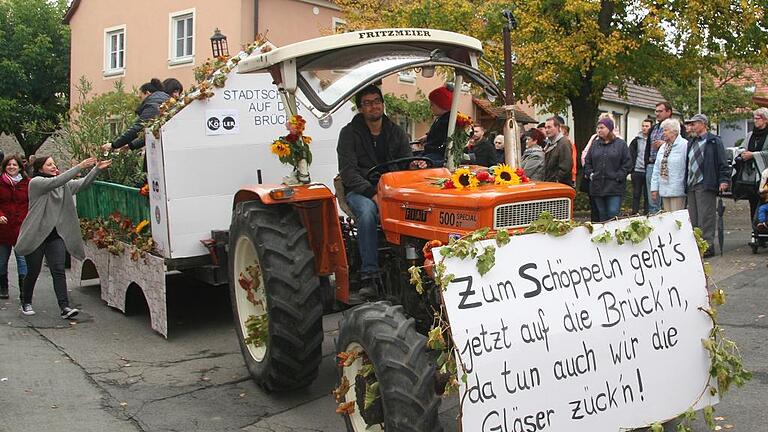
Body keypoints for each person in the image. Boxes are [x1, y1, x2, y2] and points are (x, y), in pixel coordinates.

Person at [337, 85, 418, 300]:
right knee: (367, 213)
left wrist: (413, 167)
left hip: (393, 189)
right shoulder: (349, 134)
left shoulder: (397, 132)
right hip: (361, 190)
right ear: (360, 108)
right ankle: (369, 276)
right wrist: (372, 193)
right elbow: (348, 172)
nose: (373, 106)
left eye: (376, 101)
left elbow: (406, 161)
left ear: (382, 104)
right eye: (367, 103)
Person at [15, 156, 112, 317]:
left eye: (54, 163)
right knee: (33, 271)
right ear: (40, 168)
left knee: (58, 270)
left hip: (55, 236)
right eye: (49, 164)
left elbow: (82, 184)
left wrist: (96, 170)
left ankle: (65, 307)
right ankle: (26, 301)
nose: (53, 166)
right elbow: (56, 182)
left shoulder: (63, 186)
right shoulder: (36, 183)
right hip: (36, 236)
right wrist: (80, 166)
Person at [684, 114, 729, 258]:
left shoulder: (714, 141)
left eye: (695, 123)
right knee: (694, 216)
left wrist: (724, 180)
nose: (692, 126)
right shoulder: (691, 141)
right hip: (692, 183)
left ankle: (708, 245)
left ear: (703, 124)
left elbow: (723, 162)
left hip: (706, 182)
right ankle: (697, 244)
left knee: (706, 216)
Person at [101, 78, 169, 153]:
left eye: (140, 97)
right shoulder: (164, 100)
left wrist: (114, 145)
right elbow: (149, 132)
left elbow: (138, 128)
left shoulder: (153, 104)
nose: (140, 101)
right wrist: (131, 146)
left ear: (147, 93)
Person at [584, 117, 633, 221]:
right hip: (597, 186)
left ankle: (613, 235)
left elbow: (627, 164)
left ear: (609, 128)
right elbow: (588, 161)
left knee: (612, 213)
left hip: (614, 186)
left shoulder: (621, 144)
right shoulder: (595, 144)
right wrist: (591, 174)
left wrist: (619, 176)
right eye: (597, 128)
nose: (599, 130)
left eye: (602, 127)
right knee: (602, 214)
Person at [0, 156, 29, 300]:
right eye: (9, 165)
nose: (11, 167)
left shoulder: (27, 183)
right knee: (2, 261)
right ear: (5, 167)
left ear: (20, 167)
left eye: (14, 165)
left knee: (22, 260)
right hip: (3, 228)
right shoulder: (0, 183)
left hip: (21, 228)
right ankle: (3, 287)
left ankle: (24, 291)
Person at [737, 107, 768, 224]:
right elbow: (741, 147)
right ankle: (755, 231)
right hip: (751, 177)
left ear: (765, 120)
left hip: (765, 177)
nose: (754, 121)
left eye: (757, 118)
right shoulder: (750, 135)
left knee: (764, 204)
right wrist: (742, 153)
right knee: (753, 203)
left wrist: (754, 155)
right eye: (754, 118)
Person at [650, 119, 688, 211]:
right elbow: (656, 169)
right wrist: (654, 188)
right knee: (668, 219)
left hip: (678, 189)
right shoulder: (663, 147)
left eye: (666, 130)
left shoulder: (684, 145)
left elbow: (687, 168)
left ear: (674, 131)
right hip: (664, 188)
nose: (663, 133)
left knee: (677, 220)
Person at [645, 102, 676, 213]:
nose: (657, 114)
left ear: (668, 112)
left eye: (660, 111)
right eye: (656, 111)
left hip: (668, 166)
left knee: (667, 201)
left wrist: (664, 143)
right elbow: (648, 148)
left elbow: (680, 145)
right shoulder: (653, 129)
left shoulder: (676, 127)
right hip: (652, 165)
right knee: (653, 200)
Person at [420, 86, 453, 165]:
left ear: (441, 105)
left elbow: (440, 140)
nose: (430, 107)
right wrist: (427, 137)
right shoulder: (441, 118)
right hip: (432, 153)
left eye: (432, 105)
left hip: (437, 157)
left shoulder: (448, 121)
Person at [629, 119, 653, 214]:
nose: (644, 128)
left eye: (647, 126)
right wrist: (632, 169)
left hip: (648, 170)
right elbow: (631, 154)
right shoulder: (636, 141)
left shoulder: (652, 140)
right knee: (636, 194)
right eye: (643, 126)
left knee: (647, 195)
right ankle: (635, 213)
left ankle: (647, 213)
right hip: (637, 170)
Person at [542, 117, 574, 186]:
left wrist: (556, 181)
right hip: (550, 184)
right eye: (545, 127)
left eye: (549, 127)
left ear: (557, 127)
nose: (547, 130)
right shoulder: (549, 144)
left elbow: (566, 167)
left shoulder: (564, 143)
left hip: (560, 186)